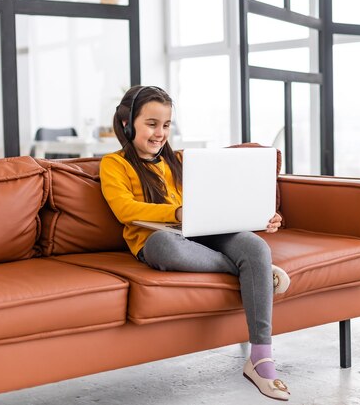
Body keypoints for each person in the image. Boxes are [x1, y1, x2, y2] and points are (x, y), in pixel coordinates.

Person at [99, 85, 291, 401]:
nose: (160, 133)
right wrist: (175, 212)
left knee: (256, 246)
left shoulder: (180, 160)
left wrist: (261, 218)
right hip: (158, 238)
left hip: (205, 230)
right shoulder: (114, 164)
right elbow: (125, 210)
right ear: (126, 124)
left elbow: (220, 198)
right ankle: (255, 272)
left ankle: (260, 357)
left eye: (165, 124)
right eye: (151, 124)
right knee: (165, 245)